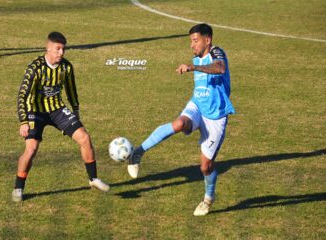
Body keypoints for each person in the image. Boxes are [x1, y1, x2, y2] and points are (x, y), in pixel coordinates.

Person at [128, 23, 235, 216]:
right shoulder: (196, 56)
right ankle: (138, 153)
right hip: (197, 105)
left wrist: (193, 67)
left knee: (205, 166)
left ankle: (208, 199)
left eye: (195, 41)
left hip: (215, 116)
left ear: (207, 40)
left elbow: (220, 68)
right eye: (191, 41)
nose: (192, 45)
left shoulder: (217, 53)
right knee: (178, 124)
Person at [12, 32, 110, 202]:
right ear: (48, 48)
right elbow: (22, 95)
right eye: (57, 49)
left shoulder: (66, 67)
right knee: (31, 149)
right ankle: (18, 188)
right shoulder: (35, 68)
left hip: (57, 109)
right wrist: (24, 121)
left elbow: (71, 90)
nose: (61, 53)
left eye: (63, 49)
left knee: (85, 138)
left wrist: (76, 111)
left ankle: (93, 179)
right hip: (35, 112)